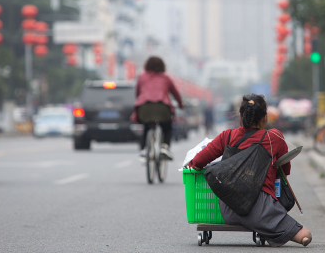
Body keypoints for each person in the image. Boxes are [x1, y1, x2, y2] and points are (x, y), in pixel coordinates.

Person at [189, 94, 312, 247]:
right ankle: (269, 227)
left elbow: (197, 162)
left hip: (229, 209)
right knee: (306, 235)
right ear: (265, 118)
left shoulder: (226, 136)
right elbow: (285, 170)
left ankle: (264, 225)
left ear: (241, 116)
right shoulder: (274, 137)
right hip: (261, 209)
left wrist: (194, 165)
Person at [131, 56, 183, 160]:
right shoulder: (166, 78)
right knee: (167, 127)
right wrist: (181, 105)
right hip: (162, 107)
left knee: (146, 127)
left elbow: (137, 94)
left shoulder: (141, 77)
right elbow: (176, 94)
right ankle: (165, 147)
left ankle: (145, 150)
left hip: (144, 107)